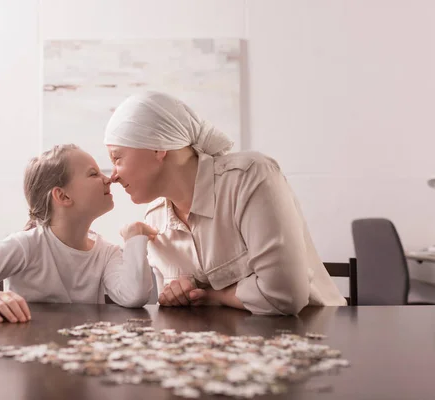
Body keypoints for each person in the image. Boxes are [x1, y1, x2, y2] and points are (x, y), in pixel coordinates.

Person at [103, 91, 346, 315]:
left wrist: (214, 296)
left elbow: (285, 295)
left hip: (315, 334)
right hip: (227, 351)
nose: (113, 175)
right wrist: (177, 297)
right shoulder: (155, 221)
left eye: (117, 158)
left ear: (158, 148)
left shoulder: (251, 177)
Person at [0, 144, 157, 323]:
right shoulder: (26, 245)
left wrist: (135, 237)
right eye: (94, 174)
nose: (110, 179)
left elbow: (133, 297)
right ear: (63, 196)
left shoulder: (106, 252)